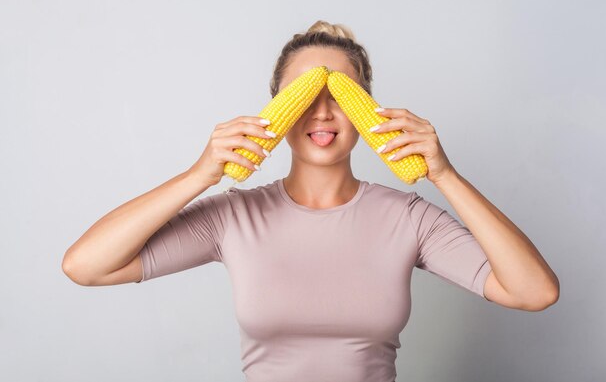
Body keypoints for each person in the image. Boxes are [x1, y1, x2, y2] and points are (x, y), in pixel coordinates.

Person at [62, 20, 560, 382]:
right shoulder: (235, 217)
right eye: (302, 93)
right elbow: (86, 266)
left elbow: (534, 292)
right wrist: (199, 175)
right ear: (274, 105)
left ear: (369, 109)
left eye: (341, 94)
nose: (321, 113)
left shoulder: (408, 218)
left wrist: (445, 175)